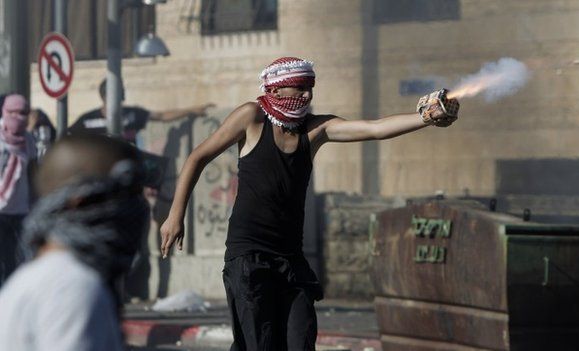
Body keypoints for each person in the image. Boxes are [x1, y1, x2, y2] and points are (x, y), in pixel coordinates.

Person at [159, 57, 459, 350]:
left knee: (300, 339)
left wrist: (424, 118)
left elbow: (373, 129)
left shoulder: (316, 129)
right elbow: (196, 157)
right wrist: (175, 215)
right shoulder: (251, 118)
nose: (307, 94)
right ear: (275, 90)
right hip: (249, 257)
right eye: (299, 87)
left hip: (291, 259)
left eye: (310, 87)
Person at [0, 134, 149, 351]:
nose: (138, 208)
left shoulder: (40, 278)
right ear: (80, 202)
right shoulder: (71, 288)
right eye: (125, 196)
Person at [69, 78, 215, 144]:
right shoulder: (87, 121)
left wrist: (191, 110)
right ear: (103, 96)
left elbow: (162, 116)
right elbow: (67, 136)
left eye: (120, 94)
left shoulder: (131, 115)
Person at [0, 94, 37, 287]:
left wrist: (35, 201)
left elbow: (32, 170)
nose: (17, 117)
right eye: (12, 112)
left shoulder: (28, 139)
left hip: (21, 211)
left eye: (22, 113)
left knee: (19, 263)